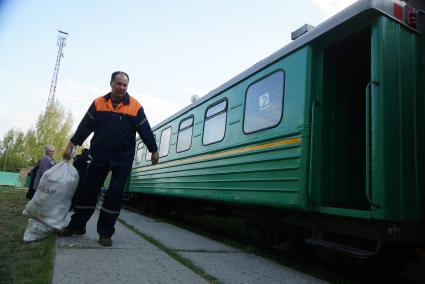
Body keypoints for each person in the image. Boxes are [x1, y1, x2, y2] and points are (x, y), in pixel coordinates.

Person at [59, 71, 159, 247]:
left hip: (122, 158)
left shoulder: (135, 106)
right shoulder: (99, 103)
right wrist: (72, 144)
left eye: (125, 85)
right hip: (99, 154)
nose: (122, 87)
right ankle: (77, 226)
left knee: (115, 194)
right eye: (118, 83)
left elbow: (145, 130)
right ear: (111, 84)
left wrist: (154, 150)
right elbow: (85, 126)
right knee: (87, 190)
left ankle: (105, 233)